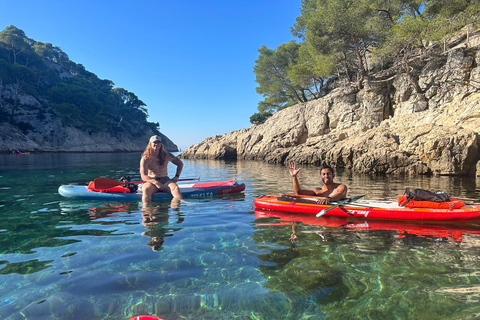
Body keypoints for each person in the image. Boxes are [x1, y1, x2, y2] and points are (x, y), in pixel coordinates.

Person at [140, 135, 184, 206]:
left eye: (158, 142)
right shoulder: (145, 158)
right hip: (152, 182)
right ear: (150, 144)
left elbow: (180, 164)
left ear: (161, 144)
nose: (156, 144)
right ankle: (146, 212)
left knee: (175, 188)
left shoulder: (167, 155)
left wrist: (177, 176)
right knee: (145, 190)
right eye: (154, 142)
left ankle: (177, 211)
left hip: (165, 181)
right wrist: (155, 183)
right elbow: (143, 176)